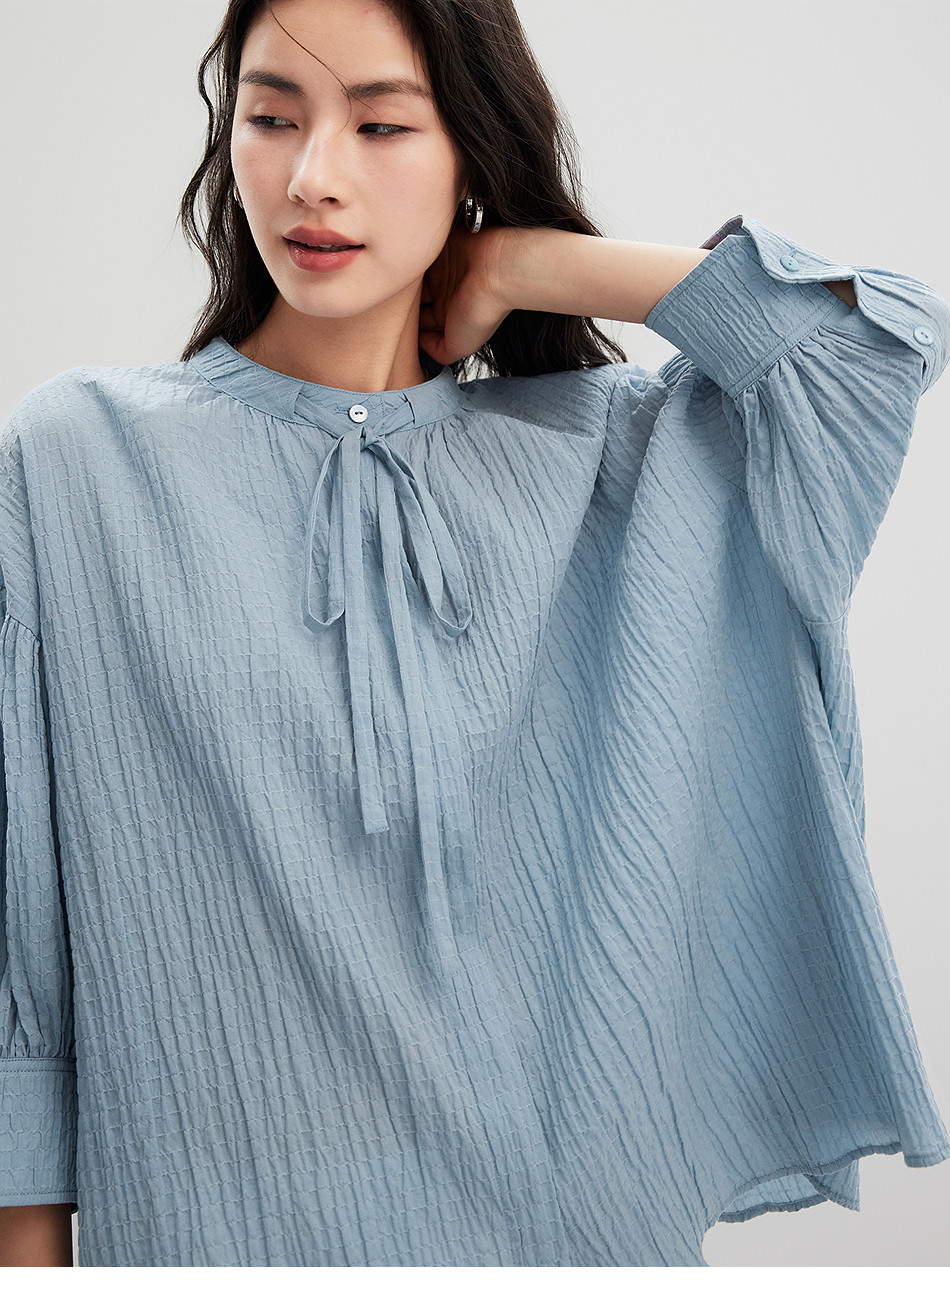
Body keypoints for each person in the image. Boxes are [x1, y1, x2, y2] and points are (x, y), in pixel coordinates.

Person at [0, 0, 947, 1269]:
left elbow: (870, 348)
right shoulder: (80, 457)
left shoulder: (606, 456)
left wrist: (528, 264)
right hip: (219, 1239)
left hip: (570, 1240)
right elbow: (23, 969)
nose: (311, 176)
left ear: (471, 151)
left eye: (381, 124)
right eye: (271, 117)